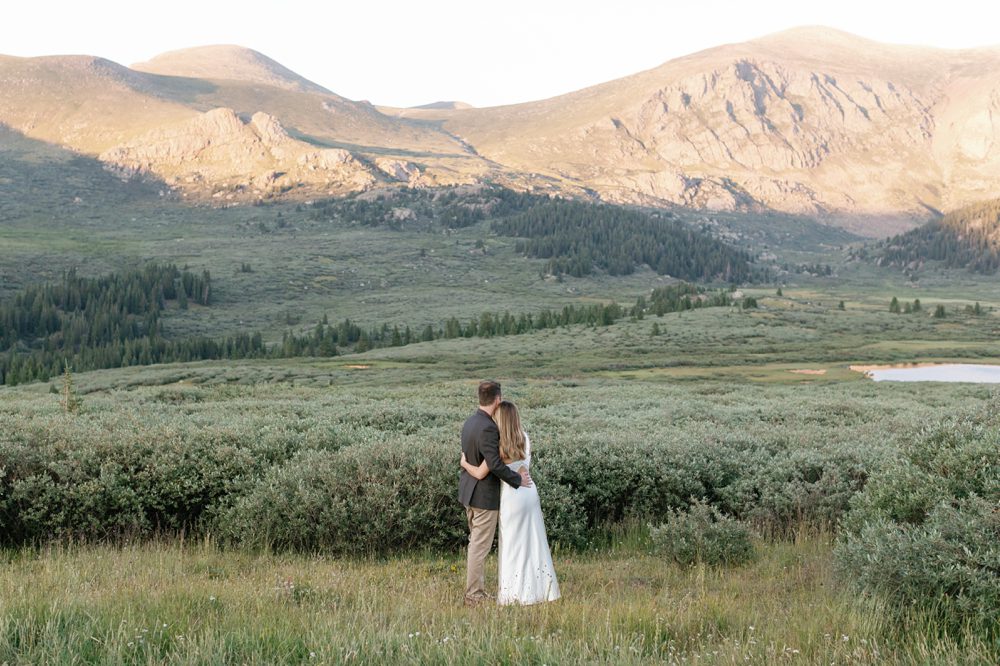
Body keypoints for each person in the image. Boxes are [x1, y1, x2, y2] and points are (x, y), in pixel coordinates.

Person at [461, 400, 561, 606]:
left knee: (512, 546)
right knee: (534, 542)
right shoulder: (524, 437)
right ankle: (542, 590)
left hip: (512, 496)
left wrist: (464, 462)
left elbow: (480, 472)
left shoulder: (500, 444)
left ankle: (513, 593)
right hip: (529, 492)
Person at [458, 380, 531, 607]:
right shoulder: (489, 427)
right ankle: (474, 595)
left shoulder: (470, 422)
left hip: (468, 494)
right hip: (484, 498)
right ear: (498, 399)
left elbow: (471, 459)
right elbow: (495, 464)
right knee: (479, 548)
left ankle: (476, 591)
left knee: (475, 545)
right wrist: (517, 479)